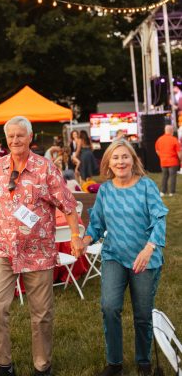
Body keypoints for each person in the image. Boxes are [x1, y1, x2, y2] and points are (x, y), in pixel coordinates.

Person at [0, 116, 83, 376]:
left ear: (30, 137)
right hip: (3, 247)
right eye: (11, 136)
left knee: (42, 312)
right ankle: (4, 363)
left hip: (38, 250)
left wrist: (75, 235)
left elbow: (68, 204)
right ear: (6, 139)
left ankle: (42, 365)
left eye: (20, 135)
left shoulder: (45, 168)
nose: (15, 140)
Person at [82, 139, 168, 376]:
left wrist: (149, 248)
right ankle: (115, 364)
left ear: (133, 160)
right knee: (109, 307)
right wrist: (85, 240)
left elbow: (159, 219)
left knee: (142, 313)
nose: (120, 161)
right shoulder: (106, 190)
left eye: (125, 156)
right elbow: (97, 224)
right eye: (115, 157)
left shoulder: (147, 186)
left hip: (144, 258)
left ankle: (143, 360)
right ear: (108, 162)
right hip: (114, 256)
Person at [155, 125, 181, 197]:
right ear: (172, 131)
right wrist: (181, 159)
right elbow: (179, 152)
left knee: (164, 176)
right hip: (173, 161)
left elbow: (157, 150)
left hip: (163, 161)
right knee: (172, 176)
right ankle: (172, 192)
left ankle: (163, 191)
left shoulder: (159, 139)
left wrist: (162, 156)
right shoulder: (174, 140)